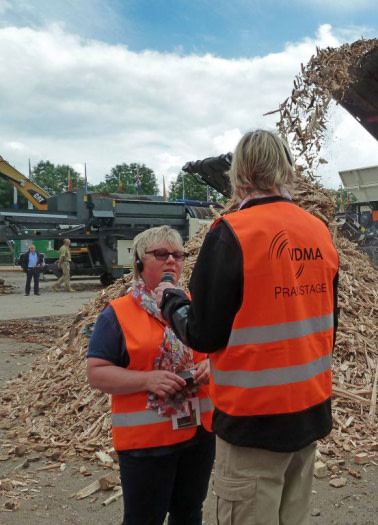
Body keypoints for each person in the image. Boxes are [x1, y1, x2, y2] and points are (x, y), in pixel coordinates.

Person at [157, 129, 340, 525]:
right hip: (309, 415)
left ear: (239, 174)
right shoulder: (319, 232)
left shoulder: (231, 232)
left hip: (253, 423)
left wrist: (172, 301)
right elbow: (328, 325)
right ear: (285, 170)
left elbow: (204, 333)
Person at [86, 226, 215, 525]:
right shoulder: (117, 314)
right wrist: (147, 380)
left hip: (198, 435)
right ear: (139, 263)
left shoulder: (196, 306)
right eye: (161, 254)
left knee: (189, 513)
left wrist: (214, 365)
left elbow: (217, 351)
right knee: (145, 518)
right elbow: (97, 374)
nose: (171, 260)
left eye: (178, 255)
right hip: (147, 445)